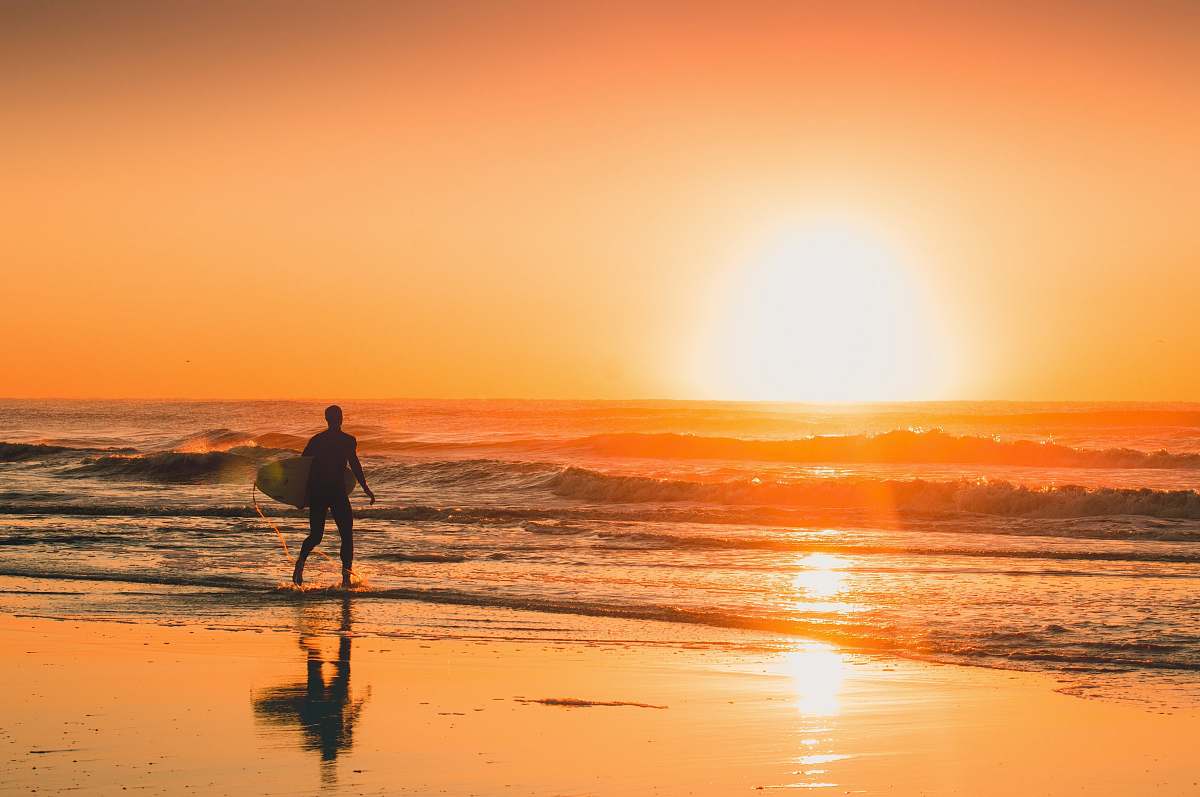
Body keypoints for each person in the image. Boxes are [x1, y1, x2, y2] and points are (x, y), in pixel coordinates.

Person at [293, 405, 375, 587]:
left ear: (326, 419)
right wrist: (365, 488)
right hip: (337, 493)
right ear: (342, 418)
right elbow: (355, 465)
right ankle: (346, 577)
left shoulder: (317, 440)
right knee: (346, 536)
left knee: (316, 536)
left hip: (318, 492)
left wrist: (300, 496)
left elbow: (302, 467)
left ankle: (300, 563)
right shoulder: (348, 440)